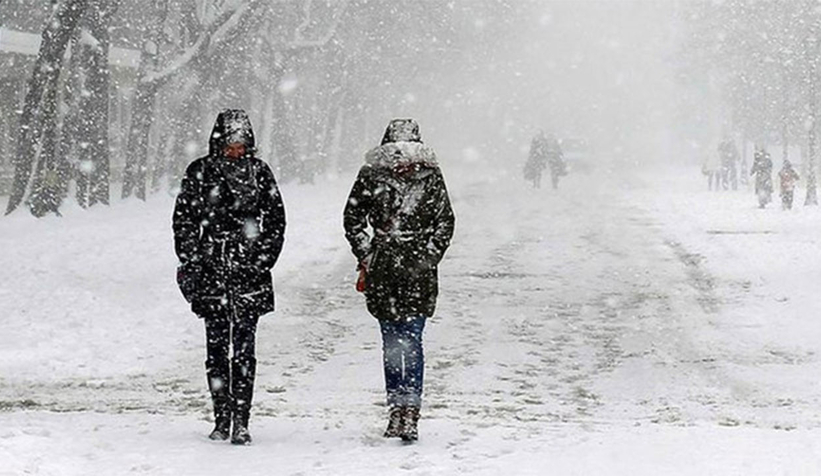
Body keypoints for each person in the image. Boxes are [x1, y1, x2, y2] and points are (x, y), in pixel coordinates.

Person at [172, 109, 286, 445]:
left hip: (248, 270)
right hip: (211, 270)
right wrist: (193, 259)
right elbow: (184, 220)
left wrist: (261, 260)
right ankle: (221, 417)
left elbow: (276, 220)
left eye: (241, 145)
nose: (235, 151)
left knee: (245, 350)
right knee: (217, 348)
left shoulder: (259, 172)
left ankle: (242, 419)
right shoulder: (200, 171)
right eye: (230, 145)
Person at [343, 118, 455, 442]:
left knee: (412, 338)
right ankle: (396, 408)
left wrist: (427, 257)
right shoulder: (371, 175)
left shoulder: (430, 177)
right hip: (384, 269)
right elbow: (352, 218)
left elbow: (445, 221)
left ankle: (411, 409)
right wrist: (368, 255)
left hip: (418, 271)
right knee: (392, 341)